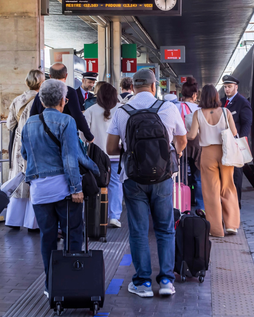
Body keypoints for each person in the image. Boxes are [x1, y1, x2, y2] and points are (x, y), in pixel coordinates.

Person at [106, 69, 187, 298]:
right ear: (154, 87)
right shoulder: (168, 108)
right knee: (165, 229)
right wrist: (175, 155)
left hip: (133, 179)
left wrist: (130, 151)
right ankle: (166, 282)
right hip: (162, 178)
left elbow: (110, 148)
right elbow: (182, 140)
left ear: (133, 87)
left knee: (139, 231)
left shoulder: (122, 111)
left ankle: (142, 283)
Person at [21, 79, 100, 297]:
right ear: (62, 101)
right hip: (64, 189)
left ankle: (51, 285)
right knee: (73, 234)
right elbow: (69, 158)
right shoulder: (66, 121)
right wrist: (76, 188)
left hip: (39, 191)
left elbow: (25, 155)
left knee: (48, 238)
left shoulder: (29, 124)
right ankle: (72, 283)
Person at [187, 84, 239, 237]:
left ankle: (216, 229)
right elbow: (234, 132)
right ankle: (231, 225)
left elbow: (192, 135)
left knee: (211, 191)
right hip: (225, 152)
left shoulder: (198, 114)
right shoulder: (225, 112)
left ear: (202, 97)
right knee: (228, 186)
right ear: (217, 97)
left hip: (207, 154)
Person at [5, 69, 44, 231]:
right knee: (34, 181)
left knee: (18, 180)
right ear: (41, 83)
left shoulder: (17, 100)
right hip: (37, 145)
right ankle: (32, 223)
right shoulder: (42, 100)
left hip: (19, 146)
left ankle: (13, 220)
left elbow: (9, 125)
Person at [84, 82, 123, 228]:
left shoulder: (91, 111)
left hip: (95, 157)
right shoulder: (121, 110)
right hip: (115, 156)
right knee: (115, 184)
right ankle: (114, 216)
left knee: (95, 185)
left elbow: (83, 134)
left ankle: (97, 214)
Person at [29, 63, 94, 143]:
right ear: (66, 76)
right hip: (65, 138)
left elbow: (32, 115)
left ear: (50, 76)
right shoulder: (70, 92)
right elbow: (77, 116)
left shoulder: (42, 92)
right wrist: (89, 136)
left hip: (42, 139)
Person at [220, 75, 252, 208]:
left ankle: (236, 203)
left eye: (229, 87)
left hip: (235, 144)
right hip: (222, 144)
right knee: (224, 174)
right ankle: (226, 202)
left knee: (237, 175)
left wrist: (240, 141)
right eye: (225, 87)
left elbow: (246, 123)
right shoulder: (221, 101)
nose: (227, 89)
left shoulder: (242, 102)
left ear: (236, 87)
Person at [179, 77, 204, 212]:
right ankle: (201, 207)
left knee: (181, 178)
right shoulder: (200, 109)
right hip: (197, 146)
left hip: (181, 145)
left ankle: (183, 206)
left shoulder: (176, 107)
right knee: (198, 179)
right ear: (195, 95)